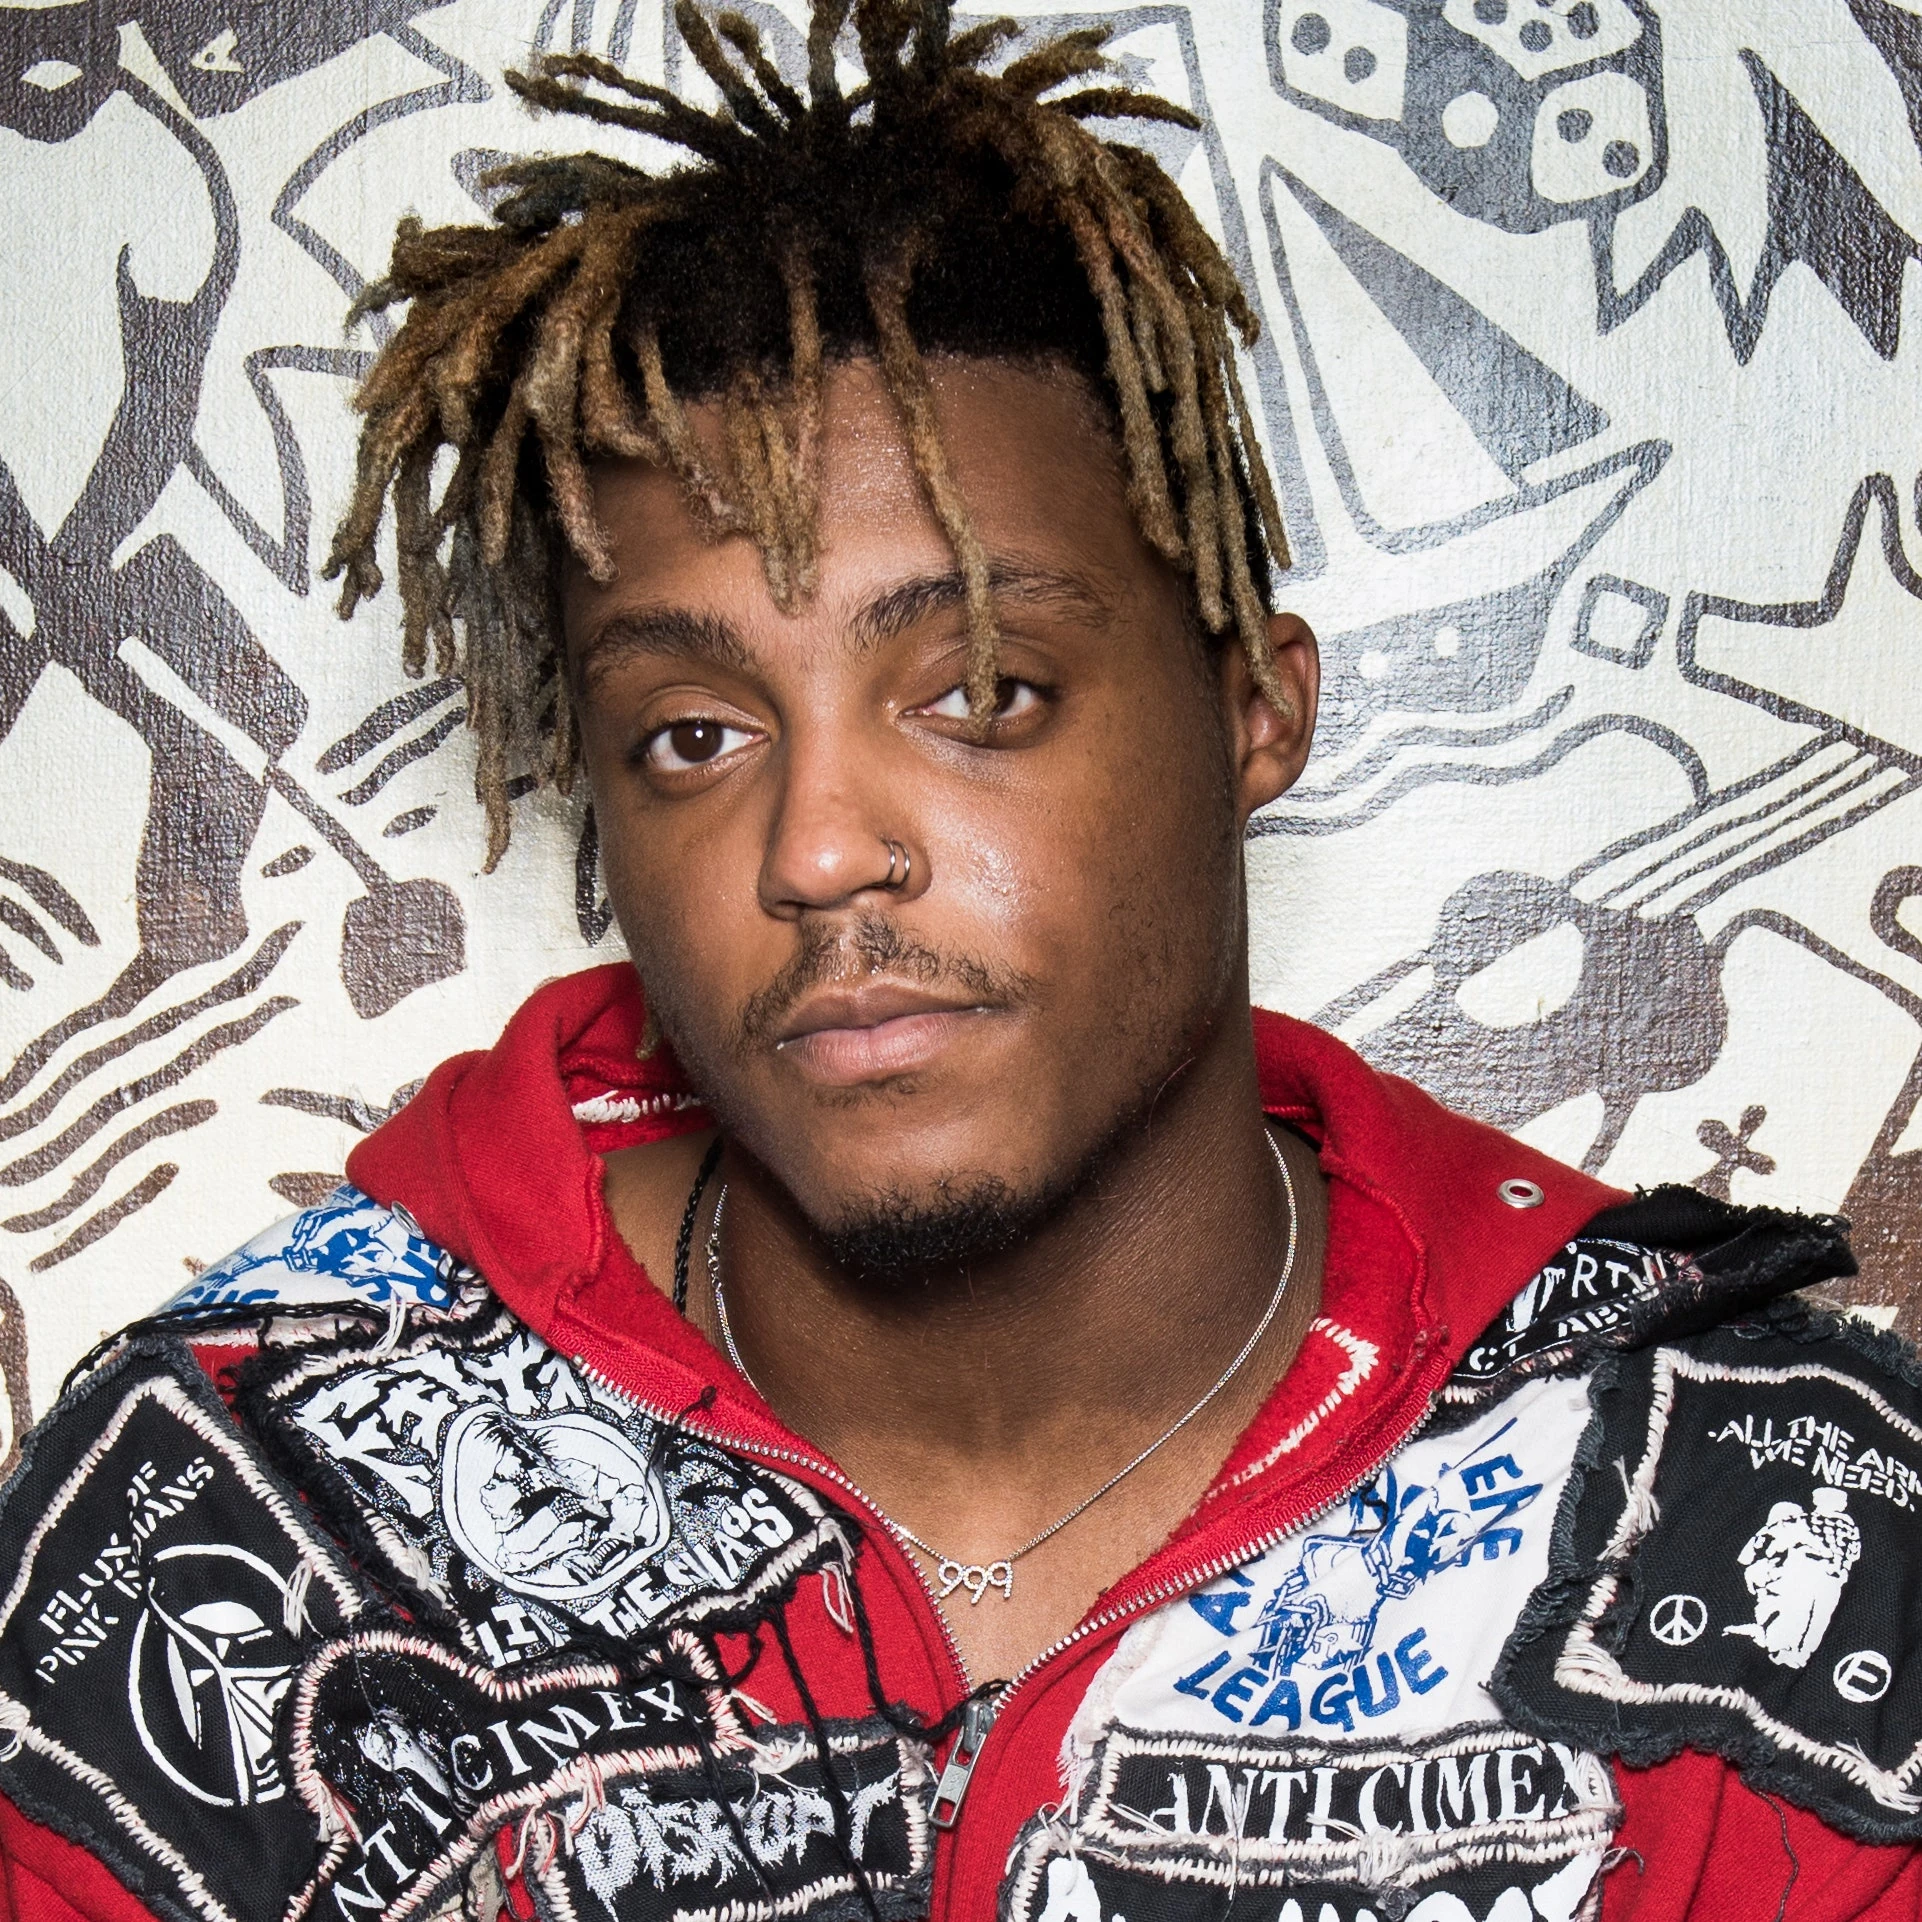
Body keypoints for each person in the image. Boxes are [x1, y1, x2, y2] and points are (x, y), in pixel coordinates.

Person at [0, 5, 1912, 1919]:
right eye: (692, 733)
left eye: (982, 689)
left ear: (1251, 708)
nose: (817, 847)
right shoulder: (243, 1498)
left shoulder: (1744, 1509)